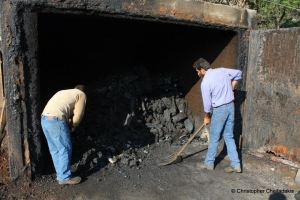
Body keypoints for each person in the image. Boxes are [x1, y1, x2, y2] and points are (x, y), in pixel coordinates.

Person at [193, 58, 242, 173]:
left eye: (198, 71)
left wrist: (207, 116)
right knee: (229, 136)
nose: (198, 73)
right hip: (230, 107)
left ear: (203, 70)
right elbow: (239, 73)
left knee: (214, 138)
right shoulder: (222, 71)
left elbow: (207, 103)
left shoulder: (205, 82)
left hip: (220, 110)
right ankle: (236, 165)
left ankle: (209, 163)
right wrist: (232, 86)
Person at [41, 85, 87, 184]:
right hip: (56, 120)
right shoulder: (81, 94)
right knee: (65, 148)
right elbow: (78, 114)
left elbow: (63, 109)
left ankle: (61, 175)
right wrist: (74, 126)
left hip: (44, 119)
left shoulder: (63, 92)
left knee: (55, 149)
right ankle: (64, 178)